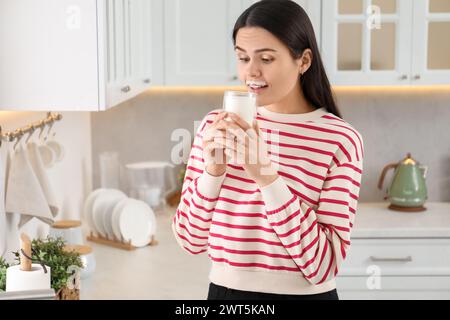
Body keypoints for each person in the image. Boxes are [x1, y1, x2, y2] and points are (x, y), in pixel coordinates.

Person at [172, 0, 364, 300]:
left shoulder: (340, 140)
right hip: (226, 296)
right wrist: (213, 173)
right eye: (243, 57)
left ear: (304, 61)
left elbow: (324, 266)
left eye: (266, 58)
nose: (252, 72)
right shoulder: (215, 126)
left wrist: (266, 176)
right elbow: (189, 240)